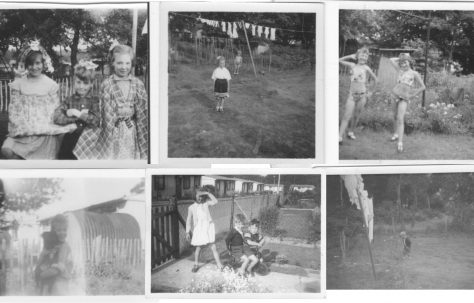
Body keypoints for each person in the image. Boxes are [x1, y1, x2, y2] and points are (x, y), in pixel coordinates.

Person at [1, 43, 77, 159]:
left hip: (44, 130)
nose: (34, 67)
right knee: (6, 151)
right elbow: (14, 111)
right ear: (26, 65)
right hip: (25, 129)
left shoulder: (50, 85)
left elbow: (55, 110)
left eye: (37, 63)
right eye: (30, 64)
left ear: (43, 64)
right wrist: (23, 125)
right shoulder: (19, 84)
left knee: (52, 151)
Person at [74, 44, 148, 160]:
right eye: (119, 63)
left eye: (127, 63)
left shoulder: (138, 84)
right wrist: (109, 137)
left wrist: (142, 140)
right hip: (113, 130)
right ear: (113, 63)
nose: (124, 67)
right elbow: (106, 115)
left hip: (131, 132)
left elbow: (142, 114)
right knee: (111, 158)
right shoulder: (107, 84)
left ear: (131, 63)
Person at [54, 60, 100, 159]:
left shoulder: (94, 101)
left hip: (89, 142)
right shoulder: (69, 100)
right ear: (74, 81)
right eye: (78, 82)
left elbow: (96, 121)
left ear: (91, 84)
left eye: (85, 83)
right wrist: (71, 121)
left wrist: (78, 114)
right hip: (70, 141)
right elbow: (57, 116)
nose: (81, 86)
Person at [339, 47, 377, 144]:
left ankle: (351, 132)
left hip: (362, 96)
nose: (363, 57)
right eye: (361, 54)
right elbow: (339, 60)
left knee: (356, 116)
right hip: (352, 95)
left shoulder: (366, 68)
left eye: (365, 55)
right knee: (347, 115)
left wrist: (371, 92)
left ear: (367, 58)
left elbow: (376, 80)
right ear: (357, 56)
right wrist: (350, 56)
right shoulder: (352, 65)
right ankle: (339, 136)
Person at [389, 53, 426, 152]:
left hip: (404, 98)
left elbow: (423, 87)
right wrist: (401, 58)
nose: (403, 64)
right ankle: (395, 133)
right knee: (394, 116)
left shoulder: (414, 73)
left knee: (400, 119)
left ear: (409, 62)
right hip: (394, 94)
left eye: (405, 62)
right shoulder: (399, 70)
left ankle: (400, 143)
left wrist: (412, 95)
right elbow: (391, 59)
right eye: (401, 63)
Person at [186, 190, 223, 273]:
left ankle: (219, 264)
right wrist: (187, 232)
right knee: (198, 248)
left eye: (201, 196)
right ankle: (196, 264)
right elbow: (188, 220)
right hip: (199, 229)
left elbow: (215, 201)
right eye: (198, 196)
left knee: (213, 247)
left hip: (208, 227)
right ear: (194, 196)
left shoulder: (206, 204)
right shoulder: (191, 207)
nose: (200, 198)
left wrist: (208, 193)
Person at [36, 215, 73, 295]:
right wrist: (44, 253)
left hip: (60, 283)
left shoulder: (64, 247)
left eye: (64, 230)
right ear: (53, 231)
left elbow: (57, 270)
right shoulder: (52, 245)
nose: (62, 233)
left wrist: (40, 274)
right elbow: (40, 262)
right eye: (59, 230)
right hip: (49, 284)